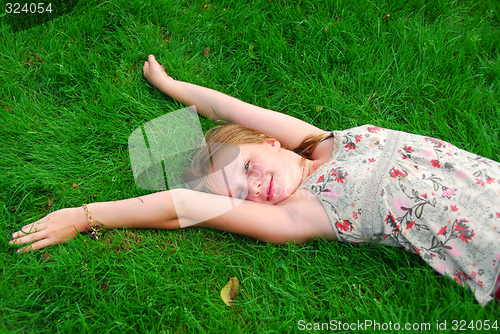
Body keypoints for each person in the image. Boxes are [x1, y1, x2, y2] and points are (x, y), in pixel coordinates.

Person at [9, 55, 500, 305]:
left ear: (268, 142)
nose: (254, 186)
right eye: (240, 195)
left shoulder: (320, 141)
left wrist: (171, 87)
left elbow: (231, 108)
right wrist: (83, 214)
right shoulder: (302, 212)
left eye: (244, 168)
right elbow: (186, 205)